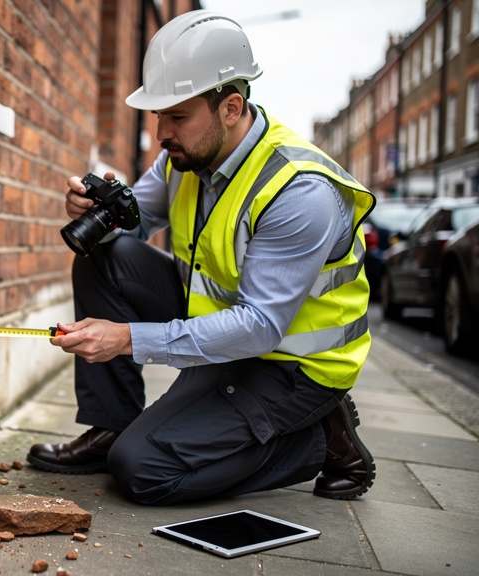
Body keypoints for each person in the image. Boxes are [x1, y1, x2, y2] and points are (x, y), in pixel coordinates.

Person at [28, 10, 377, 505]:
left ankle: (319, 439)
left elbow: (260, 326)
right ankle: (111, 428)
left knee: (142, 471)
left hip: (291, 364)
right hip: (226, 335)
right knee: (104, 258)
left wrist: (127, 339)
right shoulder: (185, 157)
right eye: (157, 117)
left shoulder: (299, 192)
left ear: (231, 108)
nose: (161, 134)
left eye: (177, 116)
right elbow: (132, 226)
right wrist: (96, 212)